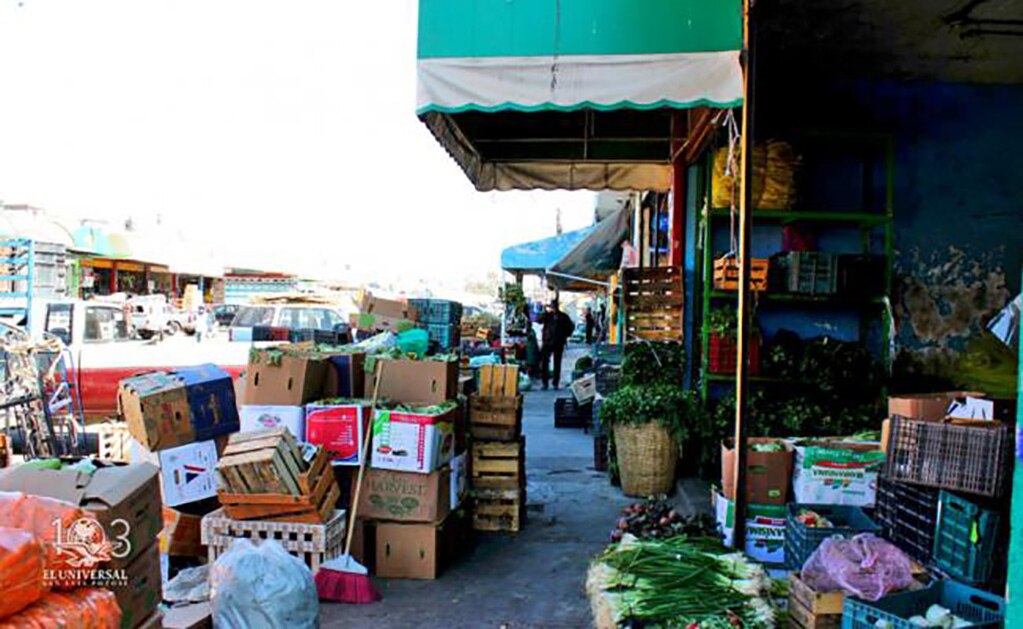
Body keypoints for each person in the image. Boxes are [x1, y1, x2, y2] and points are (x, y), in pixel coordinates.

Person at [539, 300, 574, 390]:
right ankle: (549, 382)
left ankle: (551, 383)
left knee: (554, 363)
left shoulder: (562, 317)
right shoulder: (549, 315)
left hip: (555, 341)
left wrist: (564, 335)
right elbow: (539, 320)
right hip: (551, 341)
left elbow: (570, 327)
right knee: (548, 363)